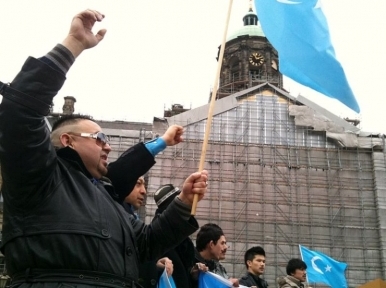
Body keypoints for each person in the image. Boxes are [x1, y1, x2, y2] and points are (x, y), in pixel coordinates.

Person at [0, 9, 208, 287]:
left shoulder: (108, 197)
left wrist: (182, 202)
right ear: (68, 141)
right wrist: (73, 44)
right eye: (99, 138)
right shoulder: (40, 175)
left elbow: (145, 244)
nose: (108, 147)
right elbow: (18, 111)